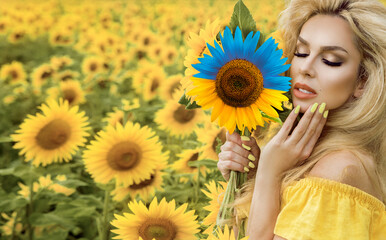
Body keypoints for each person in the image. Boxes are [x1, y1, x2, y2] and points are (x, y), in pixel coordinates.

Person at [217, 0, 386, 239]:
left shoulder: (339, 170)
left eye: (331, 60)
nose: (306, 67)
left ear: (363, 81)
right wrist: (250, 179)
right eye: (301, 52)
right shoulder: (307, 155)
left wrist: (269, 172)